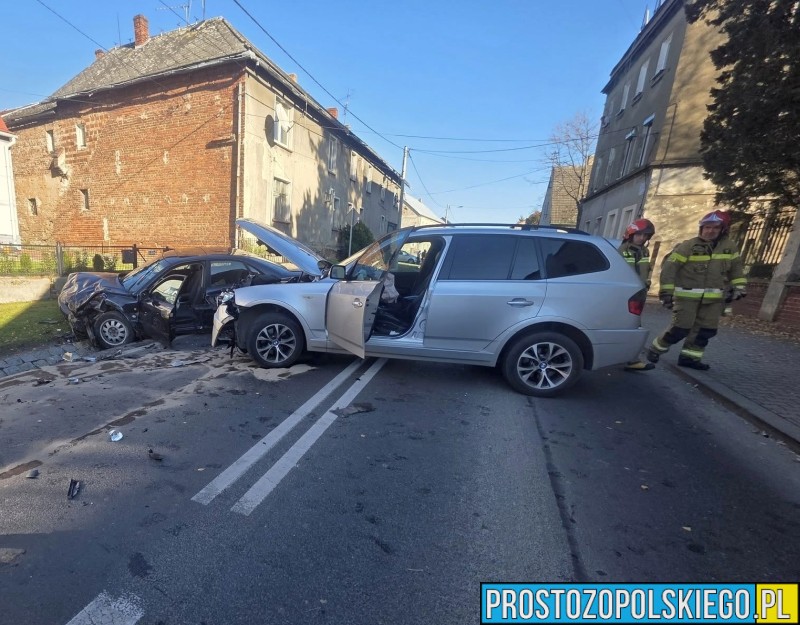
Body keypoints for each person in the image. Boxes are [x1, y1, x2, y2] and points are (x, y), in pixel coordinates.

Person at [646, 209, 746, 370]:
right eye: (706, 227)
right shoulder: (689, 246)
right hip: (687, 297)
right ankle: (655, 349)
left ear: (723, 230)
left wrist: (739, 287)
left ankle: (689, 359)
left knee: (704, 332)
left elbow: (736, 269)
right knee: (680, 328)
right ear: (701, 228)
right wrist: (666, 292)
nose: (710, 231)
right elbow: (670, 269)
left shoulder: (729, 247)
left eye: (714, 228)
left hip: (713, 300)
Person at [619, 218, 656, 371]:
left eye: (645, 235)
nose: (642, 238)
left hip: (638, 295)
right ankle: (632, 360)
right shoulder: (623, 250)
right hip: (626, 296)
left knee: (631, 327)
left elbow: (645, 271)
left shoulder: (644, 251)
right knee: (632, 326)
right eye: (639, 234)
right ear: (631, 234)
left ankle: (628, 358)